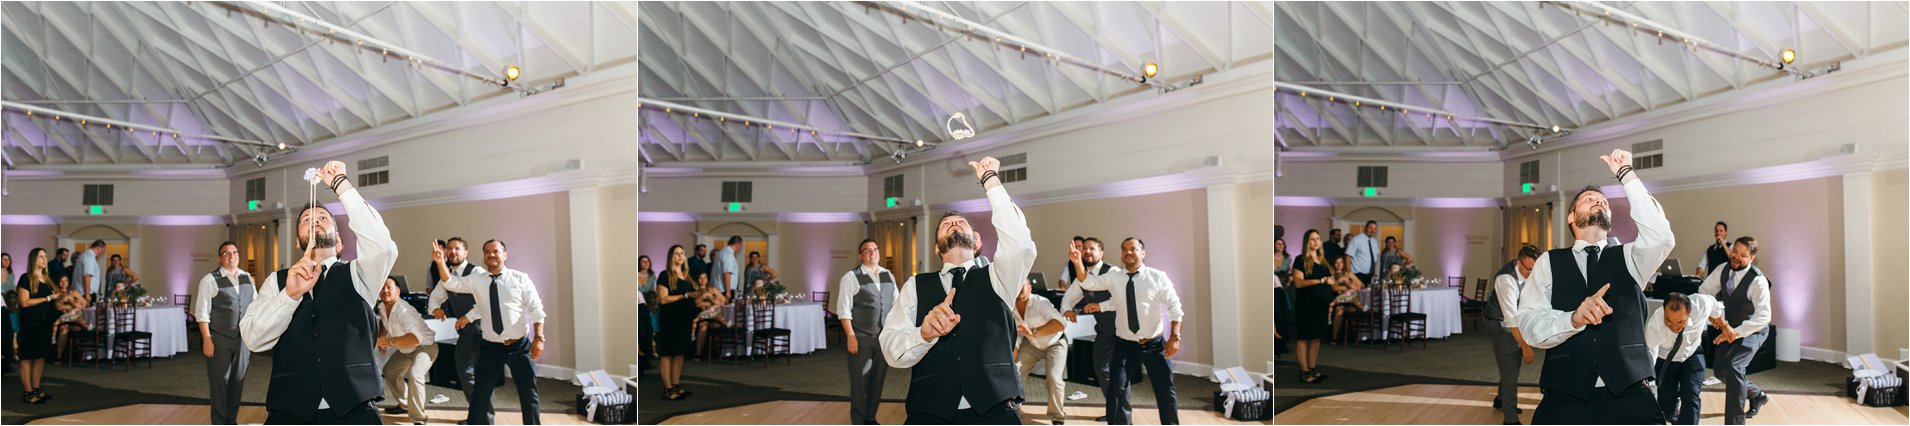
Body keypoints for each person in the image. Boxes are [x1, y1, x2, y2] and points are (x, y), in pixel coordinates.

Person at [1515, 149, 1673, 424]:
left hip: (1629, 391)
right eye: (1589, 200)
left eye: (1603, 201)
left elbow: (1661, 236)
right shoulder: (1548, 262)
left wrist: (1626, 175)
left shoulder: (1630, 256)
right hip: (1566, 393)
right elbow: (1529, 325)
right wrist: (1572, 320)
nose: (1599, 202)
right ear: (1571, 217)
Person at [880, 157, 1036, 424]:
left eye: (962, 222)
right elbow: (891, 349)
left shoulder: (998, 276)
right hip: (929, 411)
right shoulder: (915, 286)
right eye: (945, 225)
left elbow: (1021, 245)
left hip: (994, 409)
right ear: (937, 248)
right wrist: (923, 334)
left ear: (975, 242)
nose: (954, 223)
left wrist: (990, 180)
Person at [240, 160, 398, 424]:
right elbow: (253, 340)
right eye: (306, 220)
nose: (315, 222)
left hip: (354, 408)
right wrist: (289, 297)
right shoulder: (276, 281)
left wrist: (340, 184)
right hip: (290, 410)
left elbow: (384, 247)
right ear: (298, 238)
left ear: (338, 237)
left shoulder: (359, 274)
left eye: (323, 218)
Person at [431, 239, 548, 425]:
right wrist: (439, 262)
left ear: (505, 254)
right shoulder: (478, 279)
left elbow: (536, 309)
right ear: (483, 255)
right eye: (487, 251)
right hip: (490, 347)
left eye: (495, 251)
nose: (491, 255)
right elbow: (451, 283)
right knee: (480, 393)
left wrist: (539, 337)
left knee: (528, 393)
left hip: (518, 346)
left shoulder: (520, 278)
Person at [1069, 237, 1183, 425]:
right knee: (1116, 389)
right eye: (1124, 249)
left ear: (1143, 253)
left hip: (1154, 345)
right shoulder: (1115, 277)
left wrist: (1175, 336)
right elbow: (1088, 283)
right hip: (1125, 345)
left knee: (1165, 390)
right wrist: (1077, 262)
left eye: (1133, 249)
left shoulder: (1157, 277)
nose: (1128, 252)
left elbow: (1174, 307)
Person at [1060, 237, 1136, 423]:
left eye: (1092, 249)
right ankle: (1113, 409)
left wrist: (1100, 306)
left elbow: (1123, 299)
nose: (1087, 251)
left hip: (1120, 332)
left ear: (1101, 253)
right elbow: (1069, 296)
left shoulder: (1113, 272)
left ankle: (1124, 418)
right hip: (1103, 332)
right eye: (1084, 248)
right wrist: (1067, 309)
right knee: (1102, 370)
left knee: (1119, 376)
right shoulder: (1082, 276)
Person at [1696, 236, 1772, 424]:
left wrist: (1736, 332)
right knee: (1720, 371)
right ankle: (1757, 395)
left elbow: (1763, 316)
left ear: (1752, 258)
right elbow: (1704, 291)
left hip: (1753, 331)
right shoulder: (1722, 269)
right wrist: (1715, 315)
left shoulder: (1758, 281)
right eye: (1735, 251)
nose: (1736, 257)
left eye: (1743, 255)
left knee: (1734, 367)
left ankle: (1735, 422)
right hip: (1728, 328)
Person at [837, 239, 896, 425]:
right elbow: (843, 310)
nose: (872, 253)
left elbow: (897, 305)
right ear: (860, 255)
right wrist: (850, 336)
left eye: (875, 249)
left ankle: (871, 418)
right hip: (860, 337)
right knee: (859, 382)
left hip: (883, 339)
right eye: (867, 250)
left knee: (878, 380)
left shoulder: (888, 275)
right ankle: (858, 420)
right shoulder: (851, 277)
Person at [195, 242, 254, 424]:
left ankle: (231, 421)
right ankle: (219, 422)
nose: (232, 256)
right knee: (219, 383)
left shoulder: (247, 278)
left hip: (243, 339)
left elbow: (255, 306)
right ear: (220, 257)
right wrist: (207, 339)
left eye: (235, 252)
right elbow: (201, 313)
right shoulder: (209, 280)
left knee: (238, 382)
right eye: (226, 253)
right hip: (218, 338)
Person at [1646, 292, 1727, 425]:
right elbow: (1651, 354)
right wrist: (1649, 381)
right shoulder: (1656, 323)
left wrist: (1724, 326)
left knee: (1691, 395)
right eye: (1668, 321)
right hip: (1665, 359)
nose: (1674, 326)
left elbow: (1715, 307)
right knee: (1666, 408)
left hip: (1692, 355)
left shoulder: (1701, 304)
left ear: (1690, 313)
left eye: (1680, 322)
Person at [426, 237, 487, 404]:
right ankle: (477, 415)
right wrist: (436, 308)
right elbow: (434, 297)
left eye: (457, 248)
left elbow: (485, 300)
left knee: (480, 375)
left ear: (465, 252)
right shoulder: (448, 275)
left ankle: (481, 418)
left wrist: (468, 317)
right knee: (465, 373)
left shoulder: (477, 272)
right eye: (450, 248)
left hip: (483, 330)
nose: (452, 251)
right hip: (466, 333)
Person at [1488, 245, 1542, 425]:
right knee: (1511, 363)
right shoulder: (1506, 280)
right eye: (1529, 269)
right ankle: (1510, 419)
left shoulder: (1529, 272)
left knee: (1510, 362)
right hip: (1498, 322)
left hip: (1512, 322)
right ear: (1519, 263)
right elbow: (1510, 320)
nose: (1533, 273)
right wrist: (1526, 347)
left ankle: (1500, 399)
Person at [377, 277, 439, 425]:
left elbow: (415, 338)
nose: (385, 290)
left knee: (415, 374)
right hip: (405, 349)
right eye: (382, 287)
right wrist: (381, 338)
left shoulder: (404, 311)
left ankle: (419, 418)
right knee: (390, 372)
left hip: (424, 347)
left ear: (397, 292)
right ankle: (405, 404)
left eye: (389, 288)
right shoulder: (382, 306)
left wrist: (390, 342)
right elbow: (384, 321)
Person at [1012, 279, 1069, 425]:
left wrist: (1033, 332)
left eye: (1022, 286)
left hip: (1055, 344)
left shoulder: (1041, 302)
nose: (1019, 290)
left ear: (1030, 288)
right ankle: (1014, 411)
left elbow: (1061, 323)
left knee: (1054, 378)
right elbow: (1017, 337)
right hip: (1031, 345)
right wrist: (1011, 363)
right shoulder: (1011, 307)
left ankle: (1057, 417)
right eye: (1016, 286)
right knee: (1016, 372)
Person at [1289, 230, 1336, 384]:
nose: (1316, 241)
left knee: (1316, 338)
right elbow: (1298, 283)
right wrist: (1321, 281)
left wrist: (1332, 281)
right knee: (1304, 337)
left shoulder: (1324, 260)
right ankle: (1304, 373)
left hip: (1321, 304)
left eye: (1318, 238)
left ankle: (1312, 369)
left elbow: (1332, 279)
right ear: (1306, 242)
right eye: (1312, 239)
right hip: (1306, 304)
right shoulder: (1300, 260)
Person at [654, 245, 697, 400]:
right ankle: (667, 389)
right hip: (670, 319)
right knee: (667, 353)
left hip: (684, 319)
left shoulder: (687, 276)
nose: (681, 256)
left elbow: (693, 297)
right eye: (677, 253)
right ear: (671, 256)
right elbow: (663, 299)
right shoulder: (665, 275)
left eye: (683, 253)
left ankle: (676, 385)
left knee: (679, 353)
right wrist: (684, 295)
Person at [14, 248, 56, 404]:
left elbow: (53, 301)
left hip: (44, 323)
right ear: (33, 259)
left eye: (46, 256)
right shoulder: (26, 278)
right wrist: (47, 298)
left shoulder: (47, 279)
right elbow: (24, 303)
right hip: (30, 323)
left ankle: (36, 389)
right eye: (41, 256)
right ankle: (27, 393)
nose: (44, 259)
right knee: (27, 358)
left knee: (40, 357)